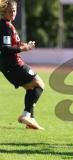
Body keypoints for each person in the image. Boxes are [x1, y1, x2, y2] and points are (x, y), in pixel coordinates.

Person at [0, 0, 44, 130]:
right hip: (13, 64)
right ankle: (26, 115)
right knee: (39, 84)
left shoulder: (6, 25)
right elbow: (5, 48)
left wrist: (24, 45)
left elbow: (10, 45)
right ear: (3, 12)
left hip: (8, 65)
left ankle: (30, 120)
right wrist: (24, 49)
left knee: (31, 89)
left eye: (14, 10)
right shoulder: (5, 26)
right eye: (10, 11)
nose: (13, 13)